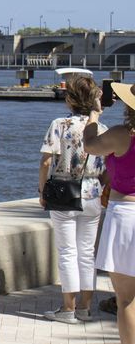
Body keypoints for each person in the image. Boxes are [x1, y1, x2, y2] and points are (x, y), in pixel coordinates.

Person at [38, 76, 108, 324]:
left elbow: (47, 160)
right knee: (87, 253)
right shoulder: (101, 128)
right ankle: (85, 308)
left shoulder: (60, 124)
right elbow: (107, 167)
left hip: (63, 192)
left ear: (70, 99)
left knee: (67, 252)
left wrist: (41, 191)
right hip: (92, 193)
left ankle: (67, 308)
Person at [85, 82, 135, 343]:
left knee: (126, 299)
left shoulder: (121, 135)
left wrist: (95, 113)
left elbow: (90, 145)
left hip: (126, 215)